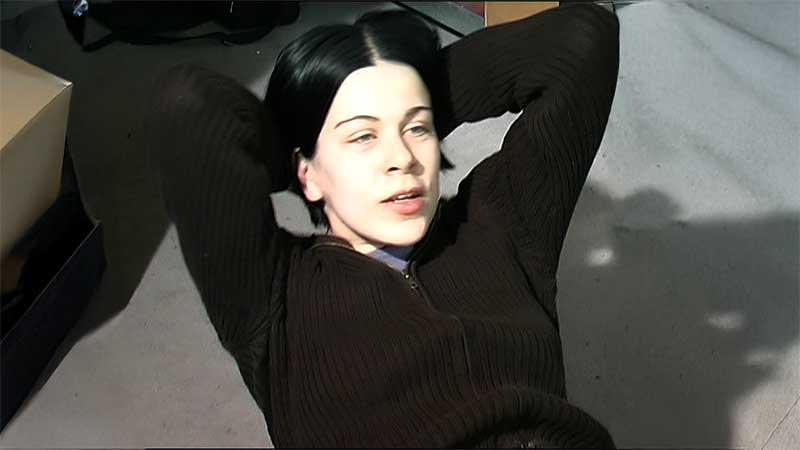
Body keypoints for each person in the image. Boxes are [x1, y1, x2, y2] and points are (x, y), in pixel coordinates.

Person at [146, 2, 620, 447]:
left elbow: (582, 38)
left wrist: (410, 90)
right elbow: (188, 104)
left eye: (417, 129)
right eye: (363, 136)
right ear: (306, 171)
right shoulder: (273, 298)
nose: (403, 158)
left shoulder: (502, 222)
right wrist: (300, 152)